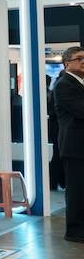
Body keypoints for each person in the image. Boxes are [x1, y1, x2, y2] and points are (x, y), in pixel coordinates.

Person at [53, 46, 84, 242]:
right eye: (79, 58)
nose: (83, 61)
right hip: (75, 147)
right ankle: (74, 231)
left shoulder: (79, 83)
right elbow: (81, 110)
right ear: (67, 64)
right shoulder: (64, 84)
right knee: (76, 191)